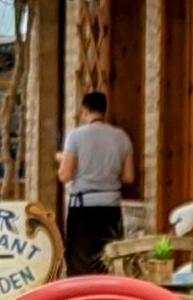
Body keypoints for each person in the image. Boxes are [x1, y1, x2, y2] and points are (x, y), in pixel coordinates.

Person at [56, 84, 135, 275]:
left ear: (84, 111)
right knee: (107, 263)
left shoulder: (75, 136)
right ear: (104, 111)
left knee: (80, 264)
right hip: (111, 209)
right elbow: (129, 177)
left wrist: (61, 159)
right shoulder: (122, 137)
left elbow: (65, 175)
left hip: (83, 209)